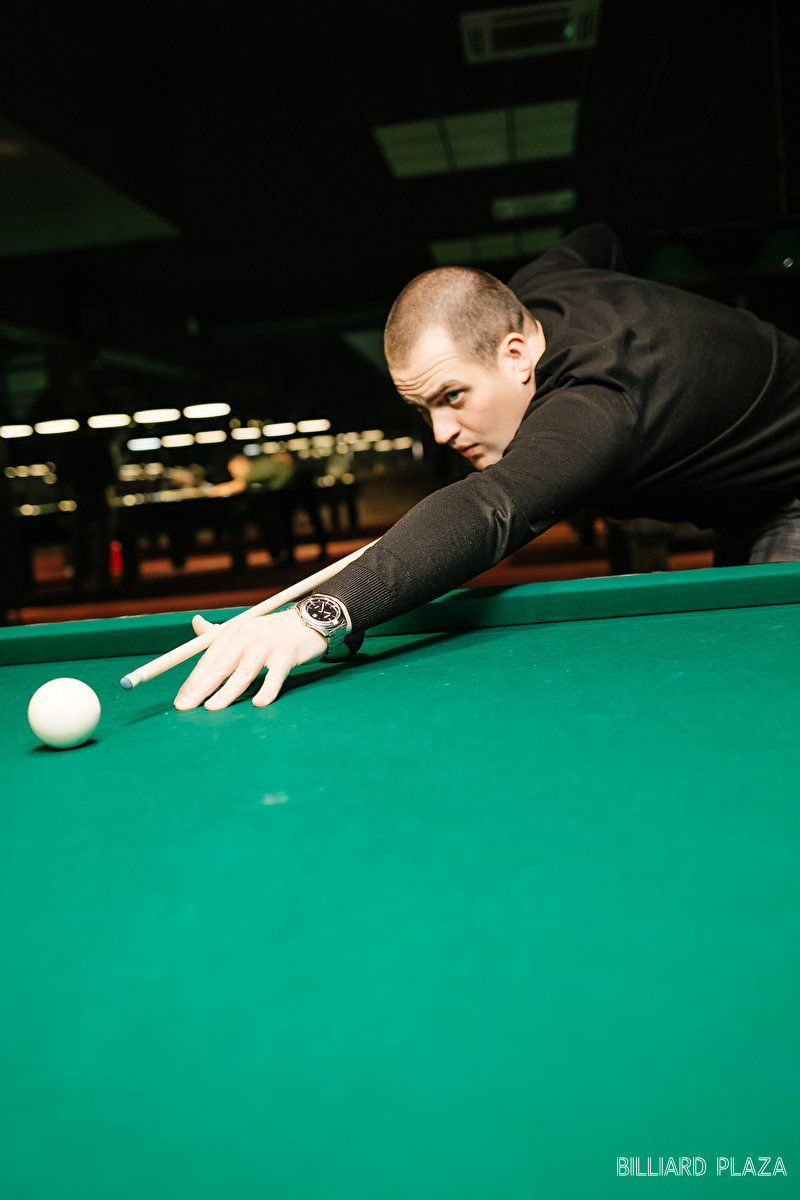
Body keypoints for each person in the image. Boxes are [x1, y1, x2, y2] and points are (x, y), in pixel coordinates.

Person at [174, 223, 800, 712]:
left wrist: (318, 616)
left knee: (769, 672)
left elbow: (490, 509)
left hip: (790, 492)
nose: (441, 431)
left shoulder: (598, 403)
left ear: (517, 353)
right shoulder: (543, 284)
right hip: (738, 497)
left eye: (452, 396)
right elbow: (599, 237)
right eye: (424, 408)